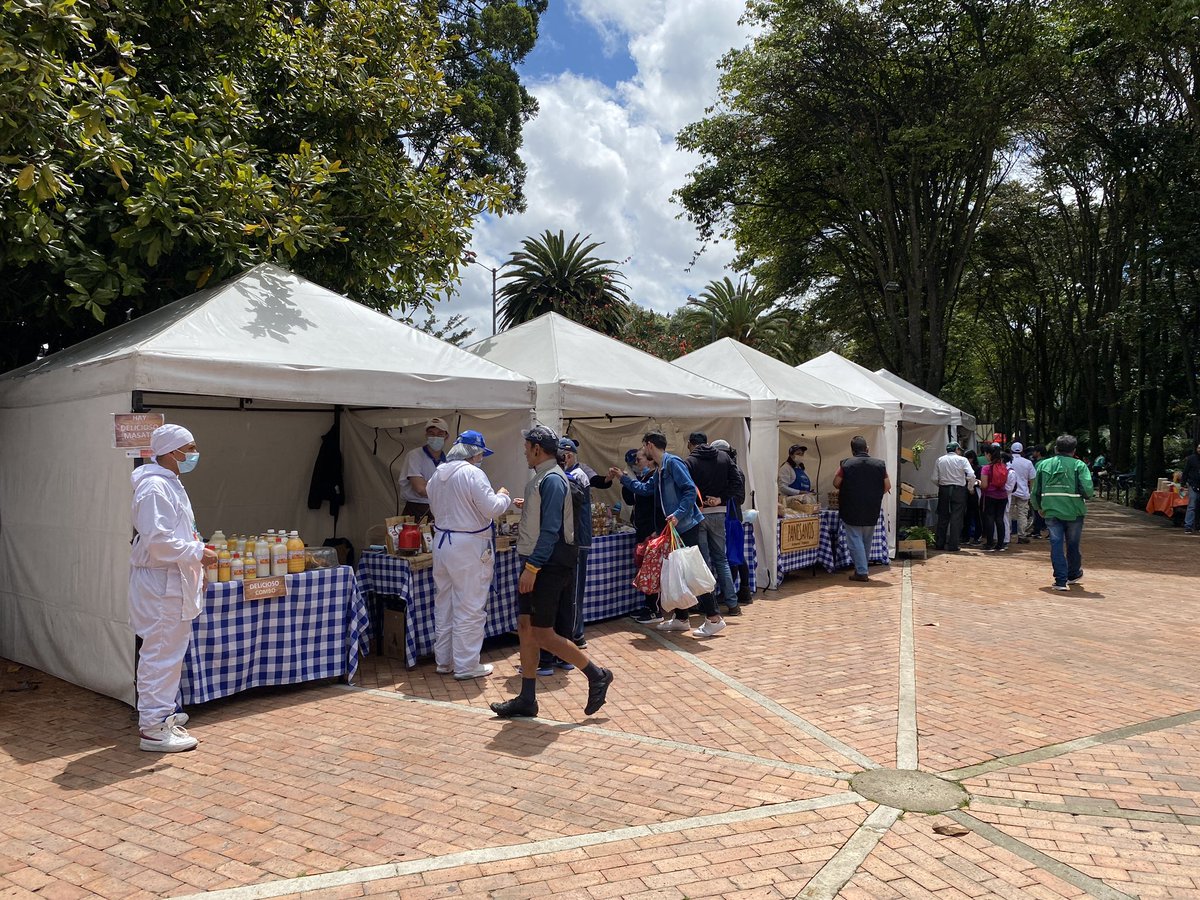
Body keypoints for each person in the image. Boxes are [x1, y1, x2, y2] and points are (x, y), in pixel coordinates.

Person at [490, 425, 613, 719]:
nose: (523, 452)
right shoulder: (544, 478)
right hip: (538, 561)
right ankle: (527, 698)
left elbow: (551, 530)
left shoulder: (552, 480)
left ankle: (597, 674)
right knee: (525, 627)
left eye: (526, 446)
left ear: (536, 448)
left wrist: (532, 567)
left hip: (547, 565)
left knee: (543, 633)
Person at [129, 424, 215, 752]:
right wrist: (198, 555)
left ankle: (162, 715)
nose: (193, 454)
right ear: (169, 451)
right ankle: (152, 728)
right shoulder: (154, 488)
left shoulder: (170, 483)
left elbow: (183, 532)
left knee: (169, 653)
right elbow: (158, 542)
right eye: (188, 448)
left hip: (171, 580)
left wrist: (195, 565)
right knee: (161, 654)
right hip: (161, 582)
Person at [612, 431, 726, 636]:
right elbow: (645, 489)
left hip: (686, 526)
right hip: (676, 528)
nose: (643, 451)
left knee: (692, 572)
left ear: (649, 445)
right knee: (677, 571)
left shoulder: (673, 463)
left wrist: (678, 514)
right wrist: (624, 479)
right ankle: (682, 618)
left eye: (643, 446)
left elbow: (690, 490)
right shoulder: (661, 468)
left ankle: (714, 617)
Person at [426, 430, 512, 680]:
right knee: (470, 605)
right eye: (481, 454)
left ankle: (444, 661)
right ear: (474, 453)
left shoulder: (437, 475)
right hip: (468, 544)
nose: (481, 458)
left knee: (444, 603)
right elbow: (492, 509)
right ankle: (465, 665)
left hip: (442, 541)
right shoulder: (473, 474)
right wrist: (503, 496)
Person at [684, 432, 743, 616]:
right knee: (721, 559)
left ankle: (709, 606)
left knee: (704, 562)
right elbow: (737, 481)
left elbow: (686, 488)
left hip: (698, 514)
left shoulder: (690, 462)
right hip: (719, 512)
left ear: (691, 444)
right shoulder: (724, 457)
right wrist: (720, 498)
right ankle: (733, 604)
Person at [1031, 434, 1094, 590]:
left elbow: (1035, 491)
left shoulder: (1043, 465)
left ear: (1055, 449)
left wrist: (1038, 506)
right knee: (1073, 544)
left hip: (1051, 511)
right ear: (1074, 450)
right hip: (1075, 511)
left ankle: (1060, 581)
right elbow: (1088, 490)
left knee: (1056, 544)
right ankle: (1073, 574)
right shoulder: (1079, 465)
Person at [833, 436, 890, 582]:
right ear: (867, 449)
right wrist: (874, 495)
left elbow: (836, 482)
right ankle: (862, 568)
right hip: (872, 507)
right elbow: (887, 486)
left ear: (852, 450)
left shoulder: (845, 464)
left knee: (855, 539)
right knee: (866, 539)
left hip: (851, 507)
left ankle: (862, 571)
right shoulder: (880, 465)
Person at [626, 448, 667, 624]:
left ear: (650, 461)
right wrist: (626, 481)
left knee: (652, 570)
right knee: (646, 569)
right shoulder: (643, 477)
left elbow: (654, 502)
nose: (637, 462)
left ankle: (655, 609)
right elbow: (631, 499)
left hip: (651, 530)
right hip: (642, 529)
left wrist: (655, 529)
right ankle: (649, 606)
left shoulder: (654, 478)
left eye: (640, 459)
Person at [712, 439, 752, 607]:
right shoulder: (734, 469)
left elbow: (739, 497)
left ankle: (732, 592)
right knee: (736, 555)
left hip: (732, 516)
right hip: (732, 516)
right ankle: (744, 590)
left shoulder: (733, 471)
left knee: (732, 555)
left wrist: (722, 498)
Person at [399, 418, 450, 521]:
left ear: (446, 436)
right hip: (416, 508)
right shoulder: (415, 455)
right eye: (431, 433)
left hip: (440, 510)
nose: (435, 437)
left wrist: (428, 485)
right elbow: (420, 489)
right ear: (426, 435)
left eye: (440, 434)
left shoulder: (448, 461)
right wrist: (444, 488)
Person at [932, 442, 975, 552]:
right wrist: (970, 488)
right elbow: (971, 475)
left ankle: (939, 544)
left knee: (943, 517)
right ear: (956, 449)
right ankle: (953, 545)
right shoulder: (962, 460)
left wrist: (942, 485)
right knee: (957, 518)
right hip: (959, 490)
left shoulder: (940, 460)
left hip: (944, 490)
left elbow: (934, 478)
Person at [980, 446, 1012, 551]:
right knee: (1000, 519)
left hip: (990, 496)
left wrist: (979, 483)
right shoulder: (1003, 467)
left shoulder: (986, 468)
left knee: (989, 518)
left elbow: (984, 485)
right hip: (1002, 496)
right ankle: (1000, 544)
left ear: (989, 455)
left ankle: (989, 543)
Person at [1007, 442, 1037, 544]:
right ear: (1022, 451)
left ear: (1011, 451)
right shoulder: (1027, 463)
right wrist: (1031, 492)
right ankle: (1022, 535)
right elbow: (1032, 478)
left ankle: (1007, 535)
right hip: (1023, 492)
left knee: (1008, 513)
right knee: (1022, 514)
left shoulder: (1008, 462)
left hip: (1009, 491)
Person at [1180, 441, 1200, 534]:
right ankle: (1188, 526)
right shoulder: (1191, 459)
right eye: (1199, 448)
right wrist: (1183, 483)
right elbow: (1185, 471)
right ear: (1196, 449)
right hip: (1193, 485)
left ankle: (1198, 525)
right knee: (1192, 505)